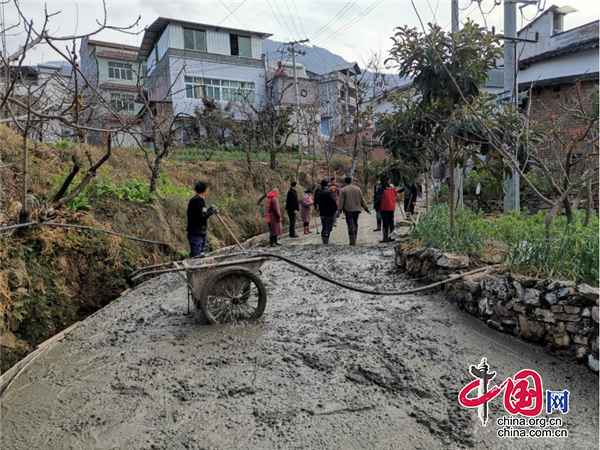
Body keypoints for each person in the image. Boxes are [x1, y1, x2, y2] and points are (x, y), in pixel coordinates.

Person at [187, 181, 218, 258]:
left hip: (201, 234)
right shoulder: (195, 201)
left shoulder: (201, 200)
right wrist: (211, 212)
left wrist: (210, 209)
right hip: (196, 234)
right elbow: (201, 217)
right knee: (196, 258)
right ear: (205, 190)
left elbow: (202, 213)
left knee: (200, 257)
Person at [337, 176, 370, 246]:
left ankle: (352, 241)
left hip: (348, 210)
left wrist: (339, 210)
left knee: (350, 225)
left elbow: (341, 201)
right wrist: (366, 208)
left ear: (345, 182)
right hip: (357, 210)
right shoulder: (357, 189)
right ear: (351, 181)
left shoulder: (343, 190)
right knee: (355, 224)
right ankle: (354, 239)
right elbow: (362, 199)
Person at [314, 179, 337, 245]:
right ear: (327, 185)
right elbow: (333, 203)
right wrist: (335, 209)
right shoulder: (328, 193)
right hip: (329, 213)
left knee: (324, 226)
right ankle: (326, 241)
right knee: (328, 227)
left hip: (322, 212)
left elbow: (316, 202)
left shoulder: (318, 193)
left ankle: (324, 240)